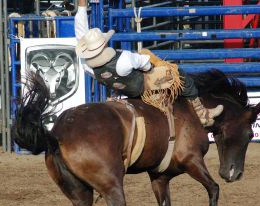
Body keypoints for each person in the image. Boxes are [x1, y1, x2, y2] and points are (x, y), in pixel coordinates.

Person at [74, 0, 223, 127]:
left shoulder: (87, 64)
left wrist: (81, 7)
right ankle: (201, 112)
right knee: (180, 75)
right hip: (143, 89)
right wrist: (151, 64)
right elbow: (145, 64)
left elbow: (80, 29)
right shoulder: (124, 59)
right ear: (104, 44)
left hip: (123, 90)